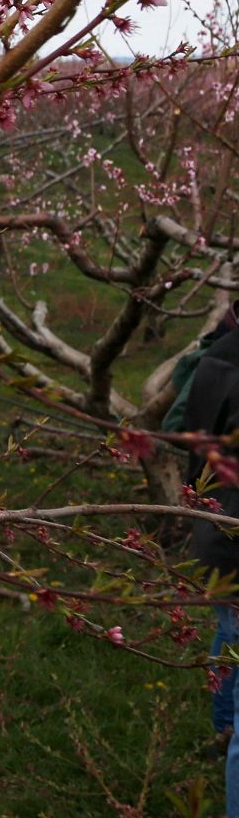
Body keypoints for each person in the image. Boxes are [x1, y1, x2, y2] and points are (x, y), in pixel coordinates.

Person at [183, 308, 239, 814]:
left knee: (230, 626)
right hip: (232, 531)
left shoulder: (214, 356)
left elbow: (191, 439)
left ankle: (223, 723)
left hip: (216, 526)